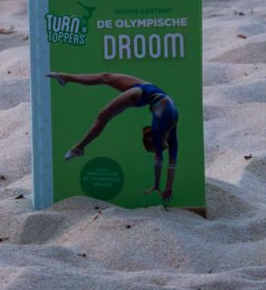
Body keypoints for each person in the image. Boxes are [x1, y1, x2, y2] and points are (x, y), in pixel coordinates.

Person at [46, 71, 179, 202]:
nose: (160, 150)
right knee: (105, 77)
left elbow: (169, 161)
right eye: (157, 149)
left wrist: (164, 186)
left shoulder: (168, 134)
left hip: (140, 94)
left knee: (103, 116)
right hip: (145, 89)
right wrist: (161, 185)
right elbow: (160, 160)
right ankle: (65, 77)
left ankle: (79, 148)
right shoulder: (161, 129)